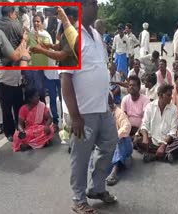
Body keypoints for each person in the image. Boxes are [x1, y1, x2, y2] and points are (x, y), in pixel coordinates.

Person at [60, 1, 118, 213]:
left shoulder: (95, 34)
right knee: (81, 157)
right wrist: (75, 116)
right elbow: (65, 80)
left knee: (110, 143)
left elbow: (99, 68)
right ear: (81, 7)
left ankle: (97, 188)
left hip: (102, 107)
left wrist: (109, 95)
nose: (96, 8)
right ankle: (78, 199)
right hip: (83, 112)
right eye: (92, 4)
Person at [134, 84, 178, 163]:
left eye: (171, 95)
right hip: (151, 141)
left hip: (167, 142)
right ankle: (166, 155)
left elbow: (173, 131)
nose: (171, 97)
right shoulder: (150, 107)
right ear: (161, 95)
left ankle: (154, 156)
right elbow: (144, 124)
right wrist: (145, 137)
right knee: (137, 141)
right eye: (169, 95)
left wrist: (163, 145)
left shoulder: (173, 109)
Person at [105, 94, 133, 186]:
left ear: (112, 102)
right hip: (108, 146)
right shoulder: (101, 114)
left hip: (121, 142)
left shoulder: (119, 113)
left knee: (122, 139)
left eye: (109, 101)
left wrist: (114, 137)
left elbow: (127, 126)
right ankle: (120, 162)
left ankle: (114, 171)